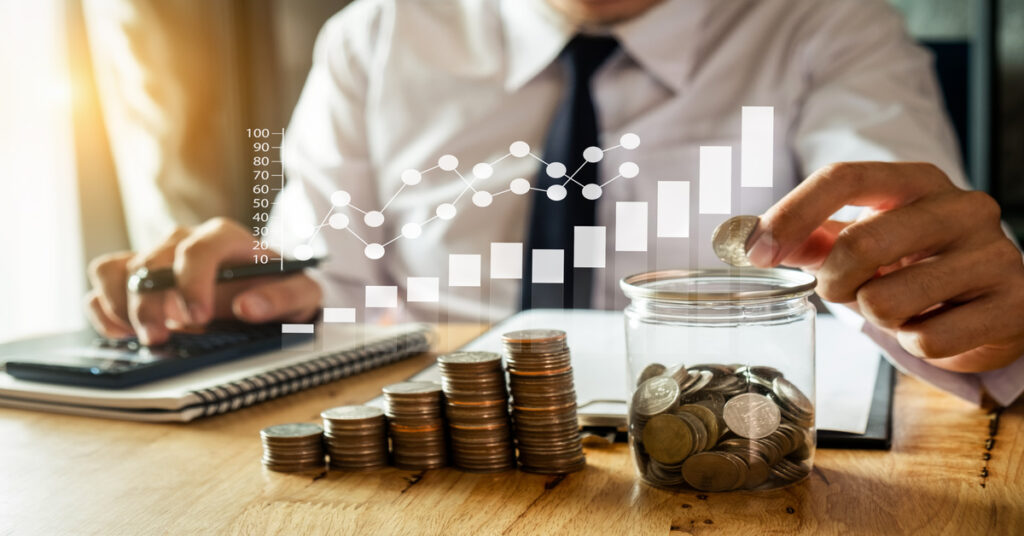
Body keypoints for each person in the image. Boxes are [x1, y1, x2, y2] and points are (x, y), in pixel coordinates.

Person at [84, 0, 1024, 403]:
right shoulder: (377, 33)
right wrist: (261, 297)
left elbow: (897, 242)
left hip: (716, 448)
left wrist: (956, 312)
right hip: (440, 460)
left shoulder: (830, 24)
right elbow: (333, 282)